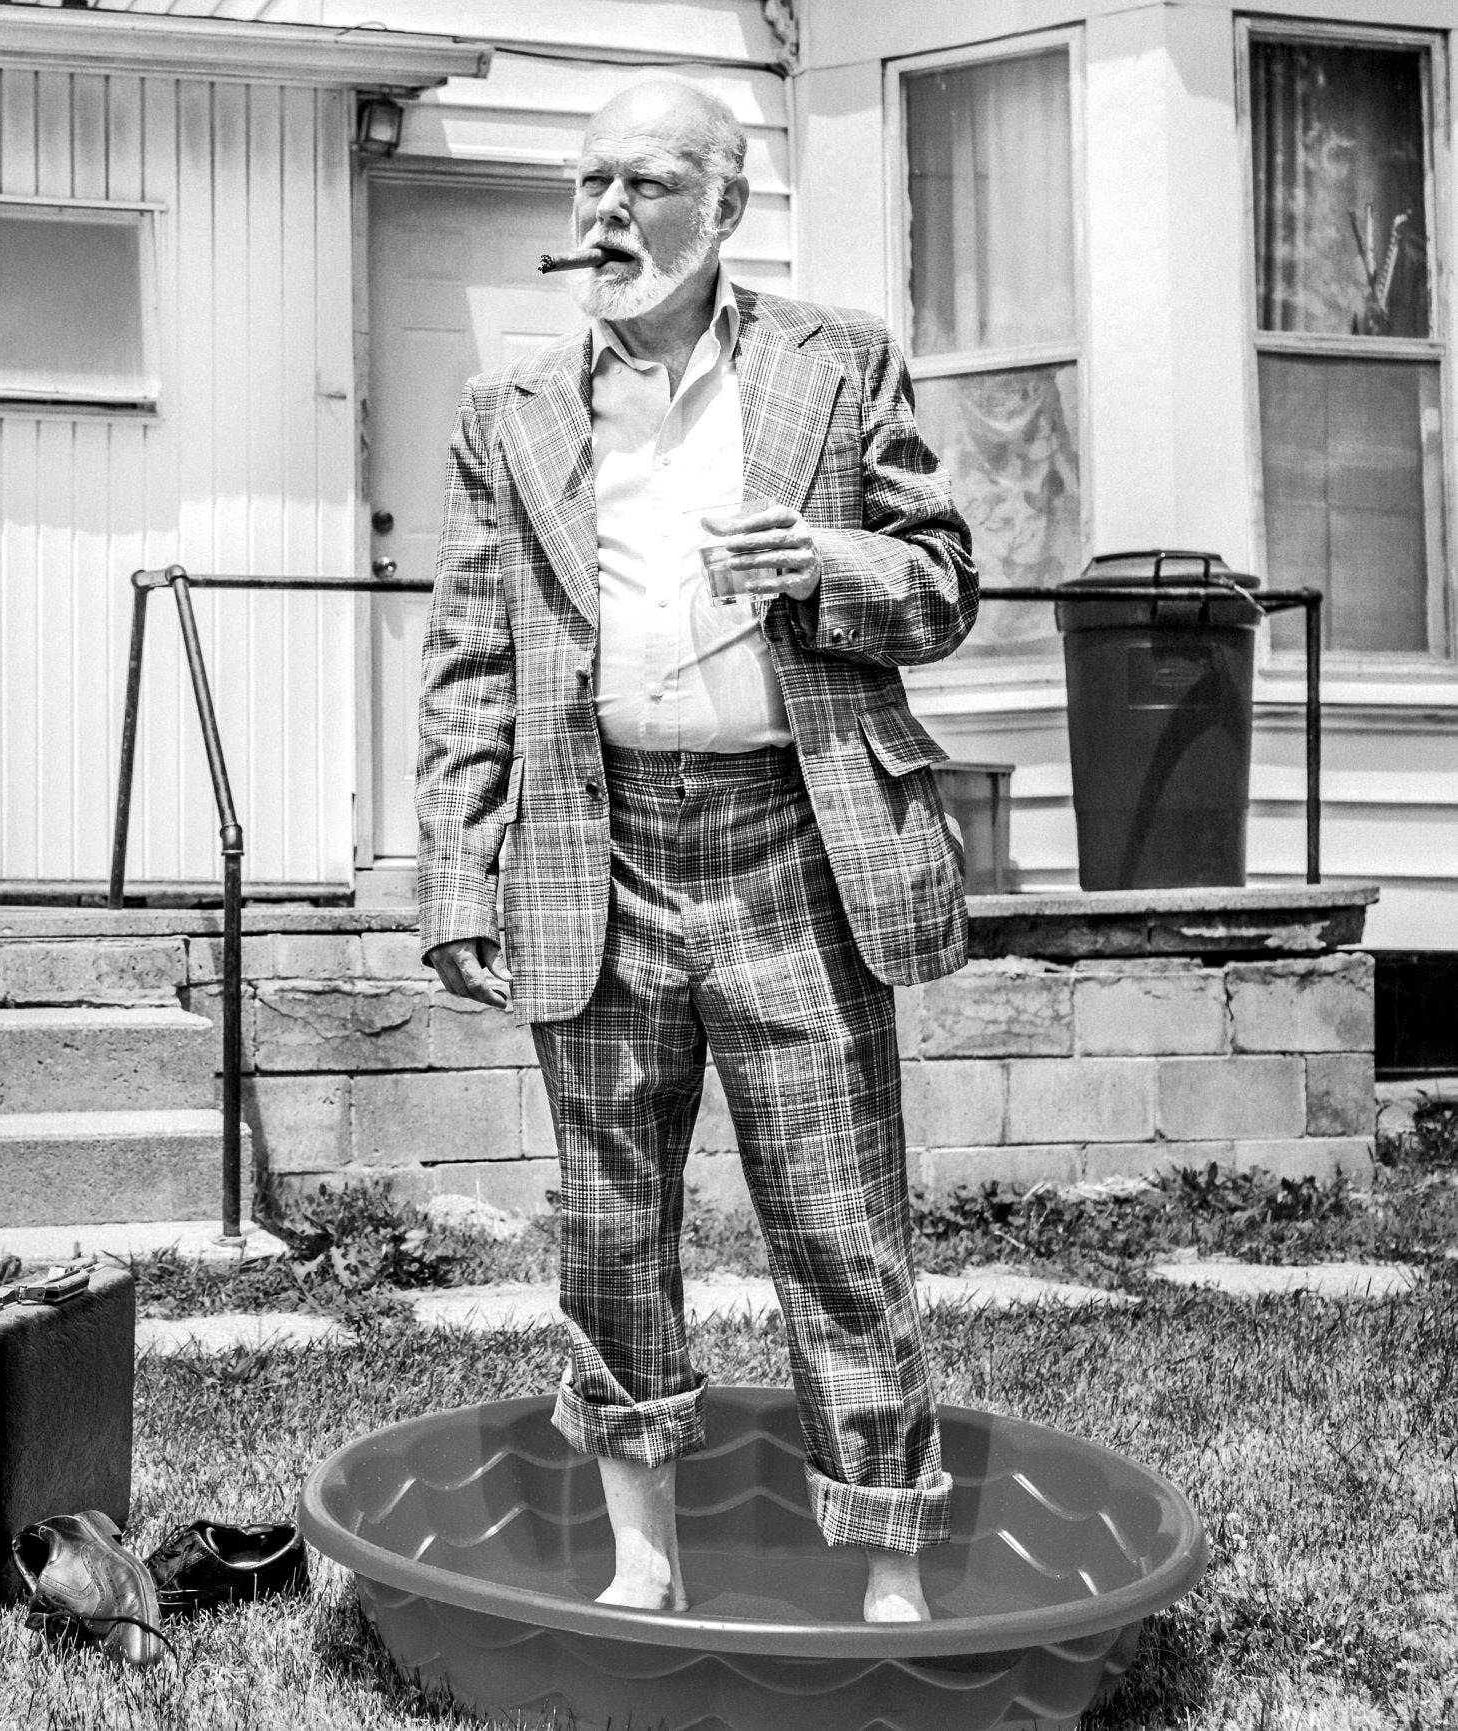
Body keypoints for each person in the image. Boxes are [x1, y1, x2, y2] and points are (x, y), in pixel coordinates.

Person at [415, 78, 978, 1624]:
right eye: (589, 182)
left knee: (840, 1218)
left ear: (726, 207)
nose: (608, 211)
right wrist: (457, 873)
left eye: (648, 182)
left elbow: (941, 587)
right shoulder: (510, 408)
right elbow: (471, 656)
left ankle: (888, 1572)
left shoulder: (835, 361)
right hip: (593, 849)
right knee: (608, 1228)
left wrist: (826, 562)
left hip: (794, 841)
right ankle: (642, 1558)